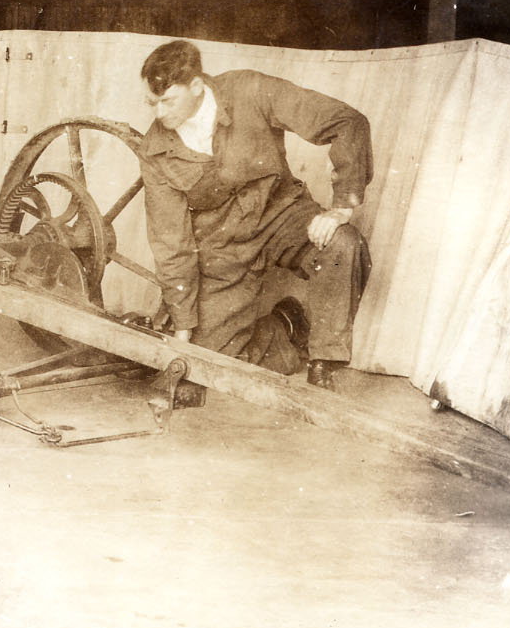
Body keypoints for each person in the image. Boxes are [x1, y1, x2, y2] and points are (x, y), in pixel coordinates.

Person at [136, 40, 373, 390]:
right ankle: (286, 327)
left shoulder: (251, 90)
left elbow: (346, 122)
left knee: (343, 244)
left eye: (167, 101)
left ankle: (325, 361)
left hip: (281, 215)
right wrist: (184, 326)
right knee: (209, 367)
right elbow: (172, 242)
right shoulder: (156, 150)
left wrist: (341, 208)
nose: (159, 114)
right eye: (150, 102)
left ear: (198, 86)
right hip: (222, 246)